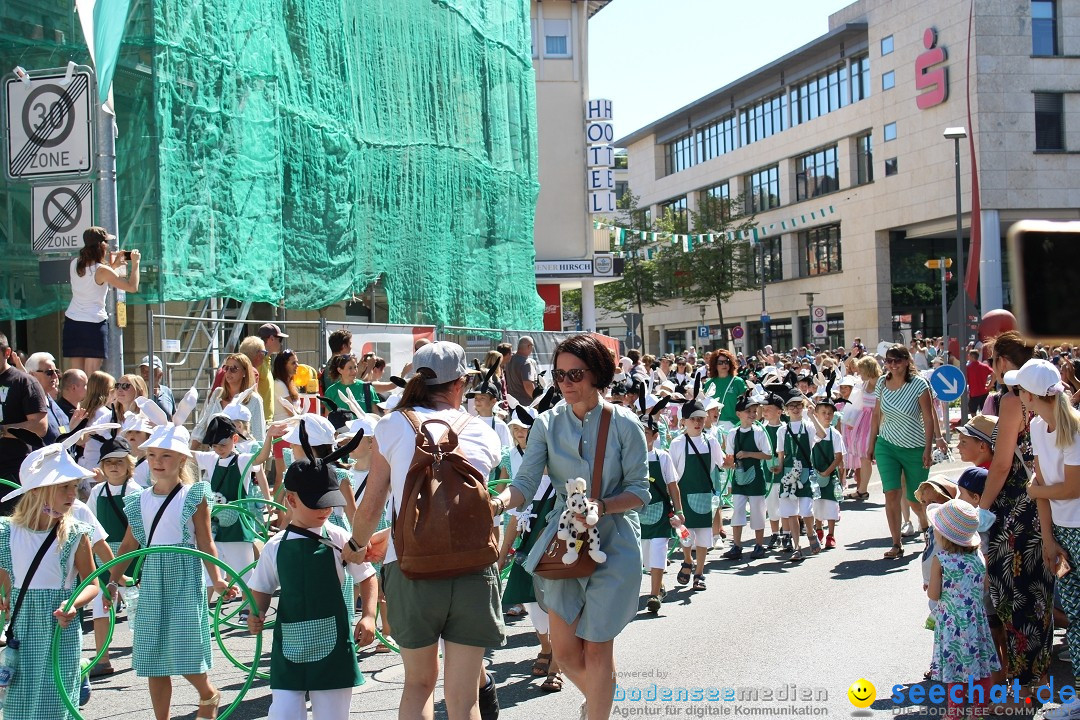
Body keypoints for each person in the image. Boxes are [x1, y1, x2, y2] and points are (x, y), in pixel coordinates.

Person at [489, 334, 648, 720]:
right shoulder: (545, 423)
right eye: (559, 376)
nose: (566, 383)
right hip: (562, 542)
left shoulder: (625, 423)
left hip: (614, 544)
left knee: (596, 649)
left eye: (575, 373)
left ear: (596, 373)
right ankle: (599, 697)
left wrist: (603, 505)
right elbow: (525, 484)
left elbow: (639, 492)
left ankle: (598, 711)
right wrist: (495, 502)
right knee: (563, 652)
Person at [346, 341, 504, 720]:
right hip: (472, 568)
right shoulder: (483, 432)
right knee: (463, 698)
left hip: (411, 566)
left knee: (418, 684)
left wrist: (356, 545)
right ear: (461, 383)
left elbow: (373, 505)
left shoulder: (391, 425)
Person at [246, 429, 377, 720]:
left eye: (330, 503)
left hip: (335, 646)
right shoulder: (275, 547)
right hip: (288, 647)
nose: (326, 510)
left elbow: (367, 576)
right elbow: (261, 589)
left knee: (332, 716)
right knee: (283, 714)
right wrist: (254, 613)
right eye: (317, 504)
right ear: (291, 500)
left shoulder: (340, 536)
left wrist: (368, 615)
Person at [109, 421, 233, 720]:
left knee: (186, 647)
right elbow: (128, 545)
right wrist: (112, 581)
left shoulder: (192, 495)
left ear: (181, 460)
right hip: (152, 576)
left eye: (166, 456)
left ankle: (207, 694)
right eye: (152, 455)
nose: (157, 462)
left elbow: (205, 541)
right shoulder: (139, 500)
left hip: (184, 576)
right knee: (153, 656)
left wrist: (217, 579)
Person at [0, 431, 101, 720]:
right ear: (38, 491)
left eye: (74, 487)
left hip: (61, 627)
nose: (73, 494)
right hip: (23, 627)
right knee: (19, 703)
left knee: (56, 704)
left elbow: (92, 584)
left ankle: (78, 674)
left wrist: (73, 603)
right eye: (64, 488)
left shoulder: (75, 535)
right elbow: (7, 575)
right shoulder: (8, 532)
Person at [981, 332, 1054, 692]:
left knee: (1016, 595)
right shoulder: (1048, 395)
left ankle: (1025, 686)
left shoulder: (1013, 402)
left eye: (993, 359)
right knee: (1040, 593)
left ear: (1003, 362)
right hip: (1043, 504)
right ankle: (1037, 677)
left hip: (1015, 509)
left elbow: (1001, 464)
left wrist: (980, 508)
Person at [1008, 359, 1080, 711]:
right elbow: (1043, 484)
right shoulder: (1037, 427)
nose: (1016, 395)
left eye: (1019, 389)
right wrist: (1049, 540)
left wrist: (1036, 494)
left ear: (1030, 395)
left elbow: (1068, 488)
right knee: (1076, 616)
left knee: (1077, 618)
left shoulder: (1076, 430)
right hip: (1064, 534)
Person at [869, 344, 945, 559]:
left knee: (915, 498)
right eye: (889, 361)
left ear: (906, 361)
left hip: (915, 447)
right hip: (887, 445)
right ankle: (896, 543)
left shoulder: (919, 385)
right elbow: (876, 416)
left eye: (897, 360)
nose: (892, 365)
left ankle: (924, 522)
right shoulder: (882, 384)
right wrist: (871, 443)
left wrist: (929, 448)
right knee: (891, 493)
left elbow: (928, 418)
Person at [926, 500, 1000, 717]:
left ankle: (954, 713)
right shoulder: (979, 558)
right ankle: (978, 711)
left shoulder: (941, 560)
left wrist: (932, 585)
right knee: (981, 667)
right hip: (976, 621)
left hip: (952, 625)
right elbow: (984, 587)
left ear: (943, 535)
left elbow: (934, 594)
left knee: (955, 670)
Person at [86, 435, 141, 677]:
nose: (114, 466)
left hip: (132, 556)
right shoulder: (97, 492)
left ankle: (143, 651)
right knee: (101, 607)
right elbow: (89, 524)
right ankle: (102, 658)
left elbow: (138, 530)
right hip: (104, 555)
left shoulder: (137, 491)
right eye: (109, 462)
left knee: (137, 607)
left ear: (129, 464)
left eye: (119, 461)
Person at [62, 227, 140, 374]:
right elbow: (132, 287)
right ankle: (91, 398)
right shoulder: (102, 270)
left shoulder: (74, 263)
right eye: (106, 242)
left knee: (76, 374)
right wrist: (136, 263)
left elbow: (95, 276)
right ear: (102, 245)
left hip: (73, 322)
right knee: (92, 375)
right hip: (93, 323)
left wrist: (114, 265)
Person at [670, 387, 725, 589]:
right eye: (693, 419)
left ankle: (699, 573)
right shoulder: (676, 444)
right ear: (683, 421)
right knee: (685, 537)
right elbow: (672, 476)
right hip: (684, 496)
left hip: (704, 495)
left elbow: (721, 464)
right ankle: (687, 560)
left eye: (701, 418)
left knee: (703, 537)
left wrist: (730, 462)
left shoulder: (711, 441)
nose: (698, 422)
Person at [0, 332, 49, 506]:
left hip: (14, 473)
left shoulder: (24, 382)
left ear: (7, 353)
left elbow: (40, 427)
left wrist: (2, 431)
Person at [722, 394, 771, 560]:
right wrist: (730, 464)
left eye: (754, 411)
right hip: (739, 477)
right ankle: (736, 546)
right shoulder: (732, 433)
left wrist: (749, 454)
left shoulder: (758, 433)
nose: (752, 414)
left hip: (756, 477)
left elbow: (768, 455)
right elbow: (729, 457)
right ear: (738, 414)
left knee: (757, 510)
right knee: (737, 510)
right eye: (748, 411)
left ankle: (759, 545)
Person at [192, 353, 266, 446]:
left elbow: (259, 435)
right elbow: (202, 427)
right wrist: (191, 452)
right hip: (215, 455)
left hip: (243, 456)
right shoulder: (217, 395)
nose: (228, 372)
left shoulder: (254, 400)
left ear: (244, 372)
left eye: (234, 369)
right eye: (226, 368)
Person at [24, 352, 72, 443]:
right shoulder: (28, 403)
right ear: (32, 375)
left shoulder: (50, 400)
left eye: (56, 372)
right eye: (49, 372)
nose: (55, 376)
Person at [704, 348, 747, 432]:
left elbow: (744, 405)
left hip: (734, 424)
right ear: (714, 365)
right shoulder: (709, 383)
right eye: (720, 362)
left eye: (726, 362)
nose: (724, 365)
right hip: (714, 426)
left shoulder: (738, 382)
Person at [257, 324, 289, 425]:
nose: (281, 344)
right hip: (259, 421)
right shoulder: (258, 361)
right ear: (271, 338)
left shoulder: (266, 360)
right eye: (280, 339)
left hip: (266, 421)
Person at [504, 336, 538, 406]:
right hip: (525, 404)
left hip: (512, 403)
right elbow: (528, 385)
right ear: (529, 346)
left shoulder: (510, 359)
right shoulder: (526, 363)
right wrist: (537, 400)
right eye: (532, 346)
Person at [966, 350, 994, 417]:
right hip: (984, 391)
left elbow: (966, 379)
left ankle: (974, 424)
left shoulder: (968, 367)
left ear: (972, 357)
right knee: (984, 411)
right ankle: (984, 424)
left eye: (969, 356)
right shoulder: (984, 366)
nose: (968, 357)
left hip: (974, 393)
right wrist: (990, 385)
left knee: (972, 411)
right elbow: (994, 374)